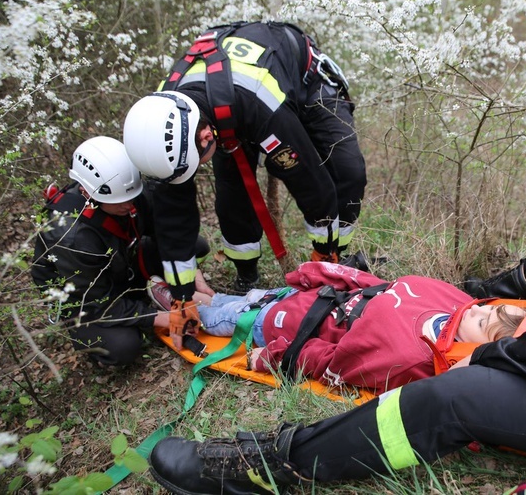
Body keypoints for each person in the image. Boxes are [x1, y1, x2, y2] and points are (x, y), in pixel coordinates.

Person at [148, 0, 526, 493]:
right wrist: (509, 307)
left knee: (459, 397)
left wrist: (491, 353)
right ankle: (471, 295)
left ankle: (268, 466)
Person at [122, 21, 367, 315]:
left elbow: (310, 182)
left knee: (346, 170)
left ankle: (336, 259)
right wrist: (181, 298)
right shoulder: (163, 121)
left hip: (304, 81)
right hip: (227, 103)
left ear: (206, 135)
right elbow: (173, 221)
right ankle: (246, 273)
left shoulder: (259, 105)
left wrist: (323, 254)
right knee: (232, 194)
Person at [149, 261, 526, 394]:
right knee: (241, 299)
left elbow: (331, 363)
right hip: (312, 296)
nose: (474, 313)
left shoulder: (410, 358)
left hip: (287, 323)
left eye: (481, 323)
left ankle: (162, 316)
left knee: (224, 318)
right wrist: (319, 274)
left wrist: (272, 357)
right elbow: (378, 284)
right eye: (487, 311)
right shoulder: (453, 302)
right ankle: (205, 296)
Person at [31, 136, 212, 365]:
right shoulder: (71, 238)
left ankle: (147, 291)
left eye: (131, 197)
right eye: (120, 201)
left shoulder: (128, 192)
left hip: (121, 261)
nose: (129, 205)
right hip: (86, 299)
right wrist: (167, 318)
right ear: (88, 193)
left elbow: (167, 232)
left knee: (195, 246)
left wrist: (190, 277)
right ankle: (90, 328)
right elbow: (99, 303)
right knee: (123, 347)